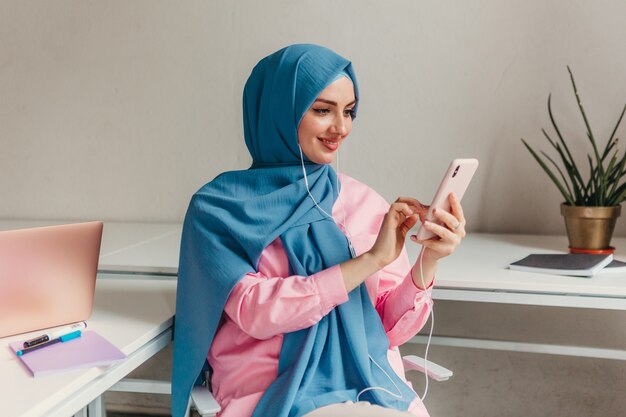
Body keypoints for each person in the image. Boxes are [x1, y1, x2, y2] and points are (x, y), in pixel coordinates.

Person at [171, 44, 466, 417]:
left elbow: (388, 329)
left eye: (349, 112)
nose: (340, 128)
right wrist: (369, 261)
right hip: (269, 390)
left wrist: (429, 260)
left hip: (371, 387)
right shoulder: (219, 208)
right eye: (323, 110)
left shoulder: (364, 202)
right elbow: (256, 311)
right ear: (280, 110)